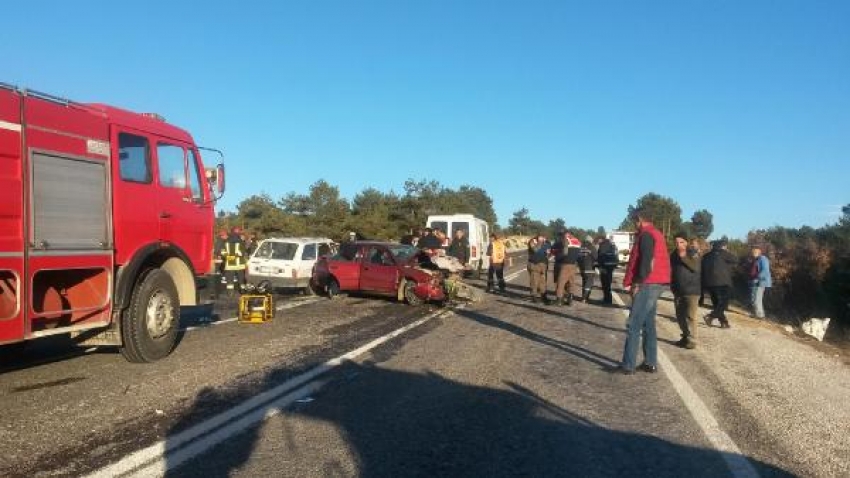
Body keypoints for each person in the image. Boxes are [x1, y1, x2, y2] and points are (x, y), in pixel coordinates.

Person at [619, 209, 670, 374]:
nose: (633, 223)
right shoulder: (656, 233)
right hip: (658, 282)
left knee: (634, 324)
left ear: (639, 219)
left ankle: (628, 365)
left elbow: (646, 261)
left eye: (634, 220)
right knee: (648, 324)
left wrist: (637, 283)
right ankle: (650, 362)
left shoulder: (646, 235)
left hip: (648, 283)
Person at [670, 234, 701, 349]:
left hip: (692, 290)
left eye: (681, 242)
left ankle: (692, 340)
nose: (679, 245)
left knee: (690, 316)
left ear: (687, 242)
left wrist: (683, 257)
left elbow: (695, 267)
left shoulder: (693, 252)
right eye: (677, 243)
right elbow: (672, 270)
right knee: (680, 316)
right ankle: (685, 337)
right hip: (678, 289)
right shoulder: (673, 255)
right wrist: (672, 284)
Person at [701, 240, 737, 328]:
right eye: (725, 247)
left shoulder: (706, 256)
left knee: (717, 304)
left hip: (709, 283)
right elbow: (736, 259)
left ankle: (724, 322)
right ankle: (710, 316)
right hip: (723, 282)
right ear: (722, 247)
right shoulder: (723, 253)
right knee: (723, 304)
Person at [552, 231, 581, 306]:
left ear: (567, 235)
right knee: (571, 282)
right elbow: (578, 254)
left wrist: (558, 257)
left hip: (565, 264)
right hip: (573, 265)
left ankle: (559, 301)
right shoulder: (577, 241)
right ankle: (570, 300)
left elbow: (564, 253)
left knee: (561, 282)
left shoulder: (566, 240)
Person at [749, 245, 772, 319]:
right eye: (752, 251)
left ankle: (760, 315)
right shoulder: (756, 259)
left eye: (755, 251)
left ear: (759, 252)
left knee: (757, 298)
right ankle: (757, 313)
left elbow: (765, 270)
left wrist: (757, 278)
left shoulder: (763, 258)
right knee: (754, 298)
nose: (753, 253)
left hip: (760, 282)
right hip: (755, 281)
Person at [527, 236, 550, 303]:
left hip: (543, 265)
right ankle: (534, 297)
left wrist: (547, 255)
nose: (543, 239)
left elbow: (548, 254)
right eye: (541, 237)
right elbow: (535, 250)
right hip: (534, 265)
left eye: (543, 237)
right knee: (534, 281)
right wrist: (539, 242)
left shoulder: (546, 243)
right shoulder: (532, 241)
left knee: (543, 282)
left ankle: (543, 296)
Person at [596, 236, 619, 304]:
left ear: (601, 240)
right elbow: (616, 255)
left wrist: (599, 266)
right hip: (611, 266)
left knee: (605, 284)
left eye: (598, 240)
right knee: (608, 283)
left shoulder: (602, 245)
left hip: (605, 266)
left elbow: (600, 256)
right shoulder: (612, 245)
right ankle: (608, 299)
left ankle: (607, 299)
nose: (598, 242)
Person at [577, 235, 598, 302]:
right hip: (590, 268)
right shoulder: (592, 248)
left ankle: (583, 296)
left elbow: (578, 258)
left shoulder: (580, 248)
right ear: (590, 241)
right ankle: (585, 298)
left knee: (584, 282)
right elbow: (596, 257)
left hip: (582, 268)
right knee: (589, 283)